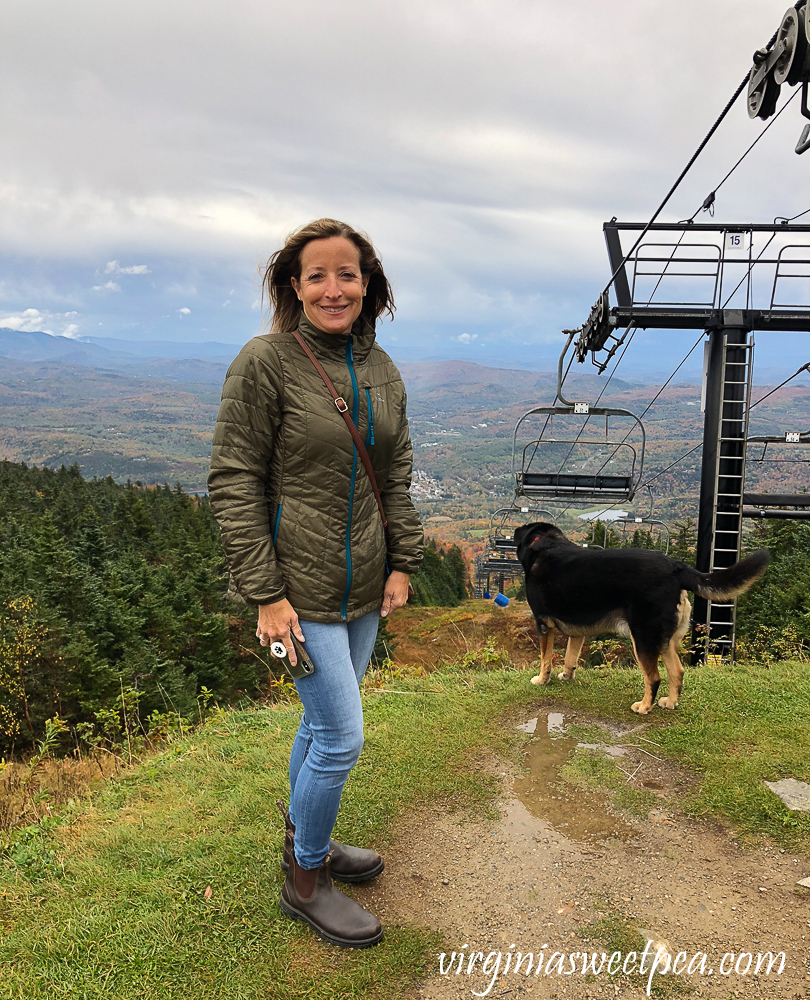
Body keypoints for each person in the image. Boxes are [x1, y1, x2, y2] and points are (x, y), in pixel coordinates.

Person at [208, 218, 424, 949]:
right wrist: (265, 595)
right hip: (296, 589)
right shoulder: (265, 362)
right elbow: (234, 482)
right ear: (294, 287)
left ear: (369, 285)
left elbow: (394, 474)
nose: (334, 288)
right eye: (318, 275)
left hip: (363, 582)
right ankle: (306, 878)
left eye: (348, 274)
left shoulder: (382, 368)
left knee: (322, 725)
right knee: (340, 736)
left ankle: (312, 840)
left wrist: (403, 563)